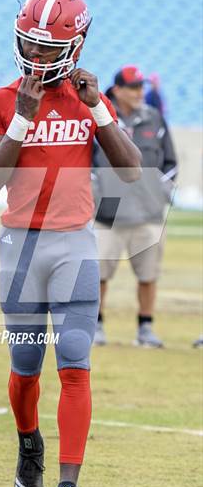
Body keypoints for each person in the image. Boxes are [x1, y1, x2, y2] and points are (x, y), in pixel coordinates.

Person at [0, 0, 141, 487]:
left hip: (74, 244)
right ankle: (29, 446)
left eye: (49, 49)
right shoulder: (0, 101)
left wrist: (98, 108)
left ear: (76, 44)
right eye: (31, 45)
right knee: (26, 372)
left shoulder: (87, 97)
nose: (38, 57)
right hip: (19, 248)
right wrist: (21, 121)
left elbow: (132, 170)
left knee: (75, 364)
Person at [93, 65, 177, 347]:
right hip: (108, 212)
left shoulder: (154, 118)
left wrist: (159, 192)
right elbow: (86, 162)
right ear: (117, 90)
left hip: (148, 214)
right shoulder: (100, 118)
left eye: (142, 86)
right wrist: (96, 193)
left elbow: (170, 163)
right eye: (134, 87)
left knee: (148, 274)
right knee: (99, 273)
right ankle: (96, 326)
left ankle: (145, 328)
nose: (140, 92)